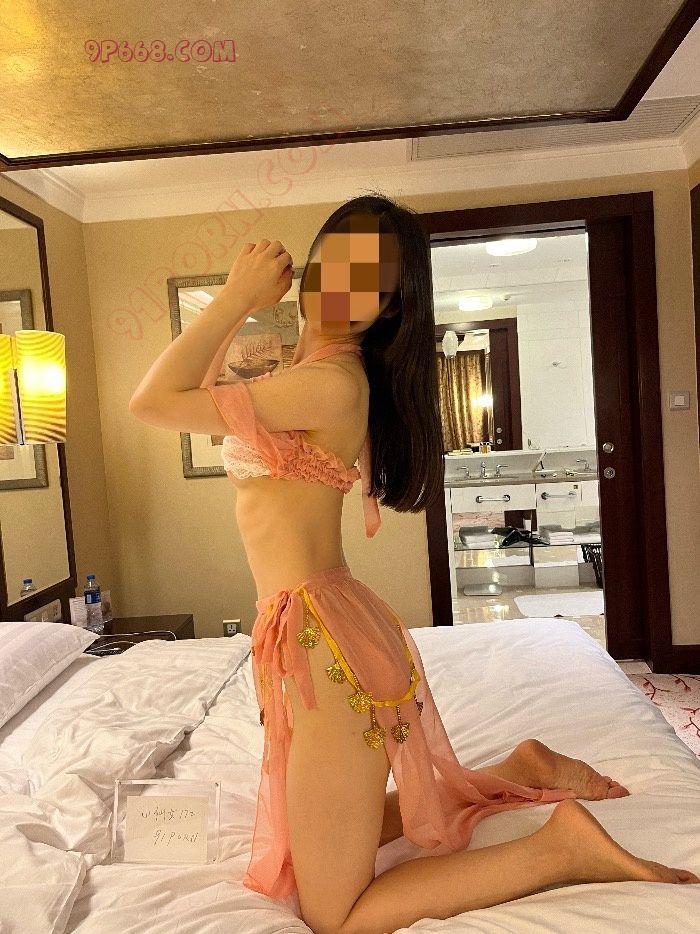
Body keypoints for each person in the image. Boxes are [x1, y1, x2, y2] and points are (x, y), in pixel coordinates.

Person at [129, 192, 699, 934]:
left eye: (367, 279)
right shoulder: (304, 371)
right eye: (334, 262)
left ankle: (558, 850)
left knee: (335, 915)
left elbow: (152, 402)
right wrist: (239, 309)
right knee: (317, 839)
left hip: (323, 646)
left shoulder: (329, 383)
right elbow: (192, 397)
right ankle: (516, 772)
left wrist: (236, 297)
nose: (341, 285)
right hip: (311, 628)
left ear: (391, 306)